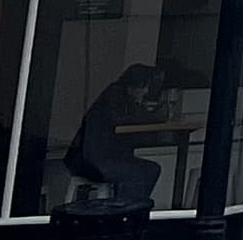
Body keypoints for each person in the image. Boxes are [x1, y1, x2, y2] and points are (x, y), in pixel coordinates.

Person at [67, 64, 168, 209]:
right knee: (135, 173)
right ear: (133, 84)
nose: (145, 92)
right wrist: (151, 112)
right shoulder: (115, 95)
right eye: (143, 87)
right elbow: (124, 119)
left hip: (105, 156)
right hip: (90, 159)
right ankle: (125, 211)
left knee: (151, 169)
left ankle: (135, 207)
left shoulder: (122, 98)